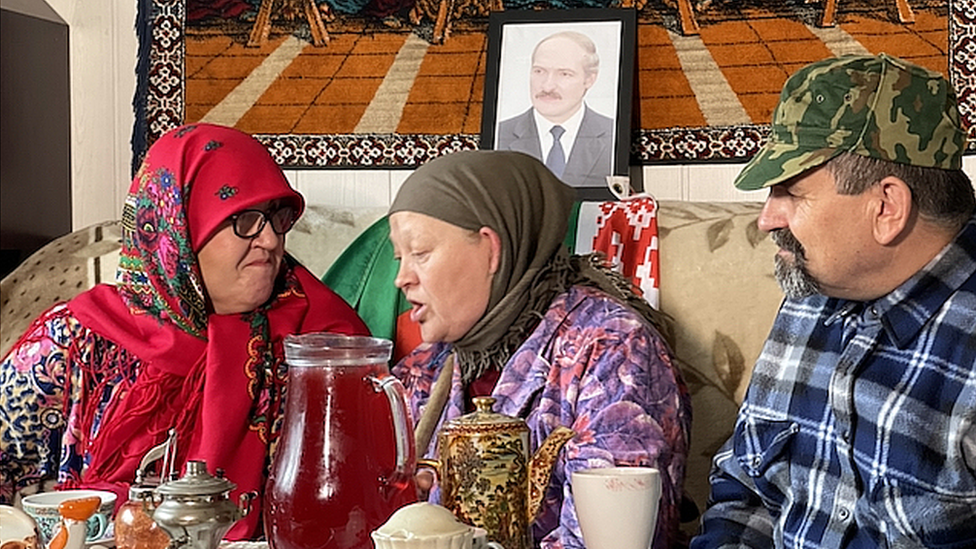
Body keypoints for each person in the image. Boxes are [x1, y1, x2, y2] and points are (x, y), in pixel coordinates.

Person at [0, 123, 369, 539]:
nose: (269, 239)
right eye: (244, 220)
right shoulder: (72, 342)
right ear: (178, 231)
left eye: (277, 218)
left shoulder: (318, 346)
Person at [691, 53, 976, 548]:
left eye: (790, 193)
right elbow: (749, 493)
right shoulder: (810, 292)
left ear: (887, 207)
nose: (766, 218)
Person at [386, 150, 691, 549]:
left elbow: (605, 540)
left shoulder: (612, 348)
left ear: (491, 250)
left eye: (420, 253)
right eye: (399, 257)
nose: (401, 278)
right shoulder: (422, 371)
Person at [495, 31, 614, 189]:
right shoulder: (500, 135)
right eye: (539, 71)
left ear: (589, 79)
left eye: (564, 74)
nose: (547, 86)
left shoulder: (612, 135)